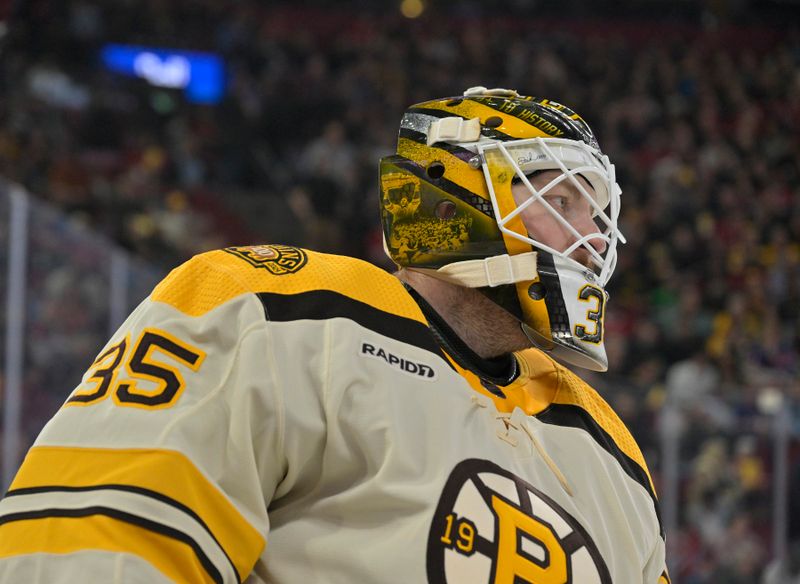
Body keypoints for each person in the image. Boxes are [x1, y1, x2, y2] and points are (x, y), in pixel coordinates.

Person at [0, 87, 669, 583]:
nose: (595, 242)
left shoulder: (615, 457)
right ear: (452, 196)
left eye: (599, 215)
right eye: (559, 201)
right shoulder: (272, 310)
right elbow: (98, 544)